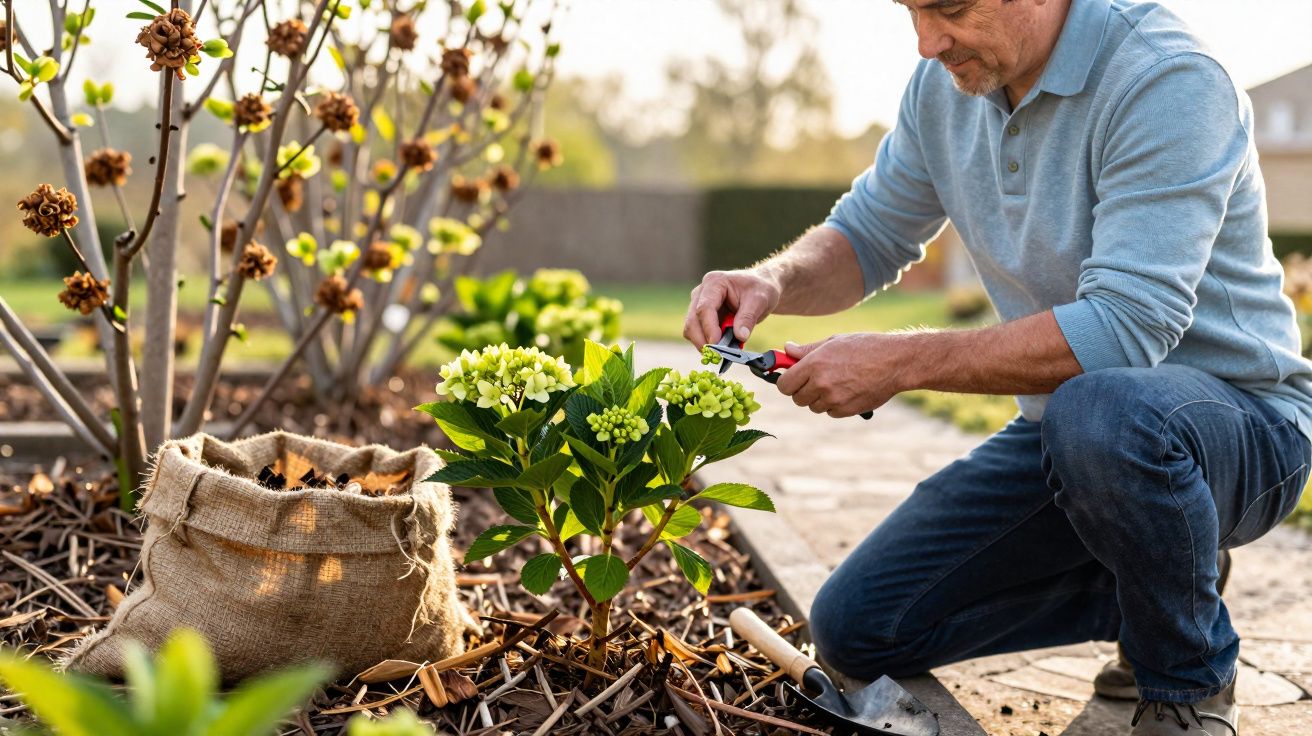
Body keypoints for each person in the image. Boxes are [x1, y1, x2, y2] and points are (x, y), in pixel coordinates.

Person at [681, 1, 1312, 733]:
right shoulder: (948, 84)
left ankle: (1186, 679)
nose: (926, 41)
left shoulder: (1166, 79)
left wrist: (901, 360)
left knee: (1100, 412)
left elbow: (1124, 330)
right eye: (912, 10)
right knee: (860, 628)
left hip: (1241, 430)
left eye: (949, 8)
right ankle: (1164, 579)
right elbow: (869, 233)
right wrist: (776, 282)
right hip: (1075, 430)